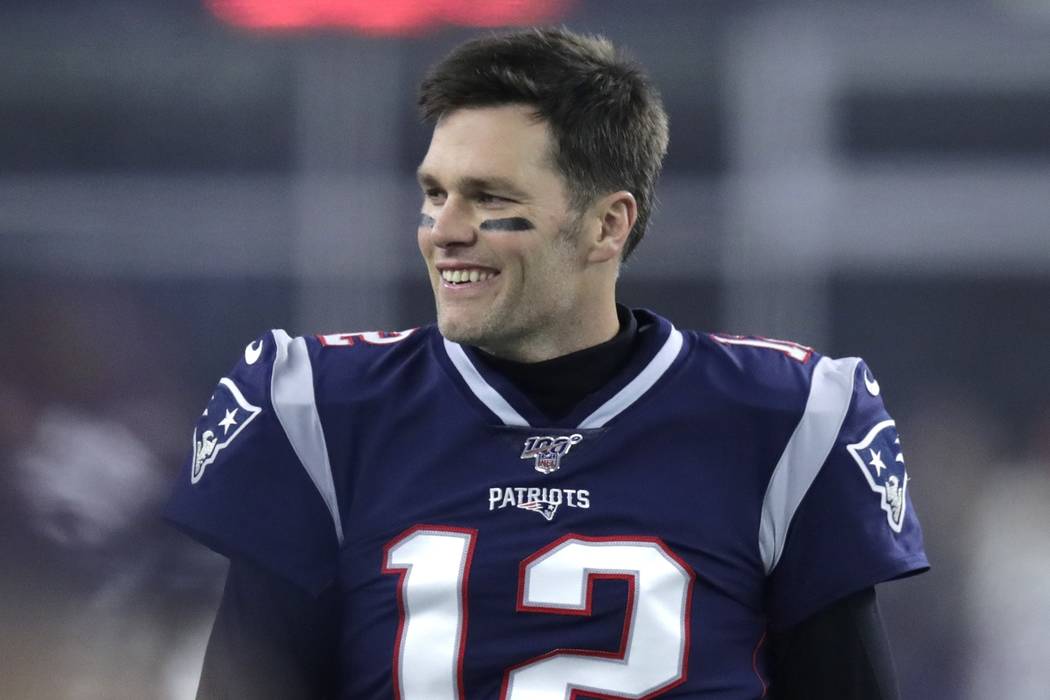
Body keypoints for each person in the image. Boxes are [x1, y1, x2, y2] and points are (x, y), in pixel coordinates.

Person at [166, 27, 928, 699]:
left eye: (490, 198)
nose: (444, 231)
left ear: (606, 224)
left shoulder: (782, 420)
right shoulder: (323, 413)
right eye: (435, 193)